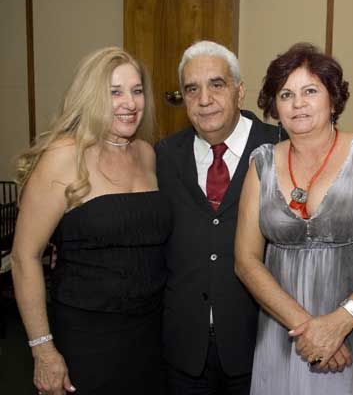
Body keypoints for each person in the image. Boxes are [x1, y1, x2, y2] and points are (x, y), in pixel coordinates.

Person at [234, 43, 353, 394]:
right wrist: (309, 329)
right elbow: (245, 260)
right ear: (275, 107)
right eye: (286, 94)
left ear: (333, 98)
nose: (298, 103)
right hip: (287, 334)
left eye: (310, 91)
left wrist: (343, 320)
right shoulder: (261, 164)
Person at [11, 47, 170, 395]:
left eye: (137, 90)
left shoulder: (147, 153)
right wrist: (42, 349)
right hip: (88, 336)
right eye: (114, 92)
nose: (130, 102)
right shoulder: (64, 155)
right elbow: (24, 257)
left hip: (150, 334)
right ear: (91, 97)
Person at [155, 40, 283, 395]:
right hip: (183, 351)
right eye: (191, 89)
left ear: (239, 91)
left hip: (260, 346)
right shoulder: (164, 155)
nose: (204, 99)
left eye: (216, 84)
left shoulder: (279, 147)